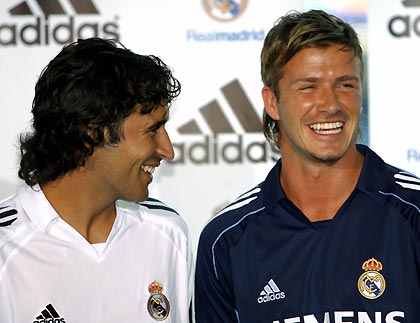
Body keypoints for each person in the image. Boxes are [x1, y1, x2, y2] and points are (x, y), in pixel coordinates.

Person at [194, 9, 420, 323]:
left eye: (345, 85)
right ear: (272, 102)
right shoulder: (226, 240)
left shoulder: (413, 212)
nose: (330, 105)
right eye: (308, 87)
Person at [0, 37, 193, 322]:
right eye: (152, 130)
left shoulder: (169, 233)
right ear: (93, 132)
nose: (168, 150)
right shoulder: (5, 248)